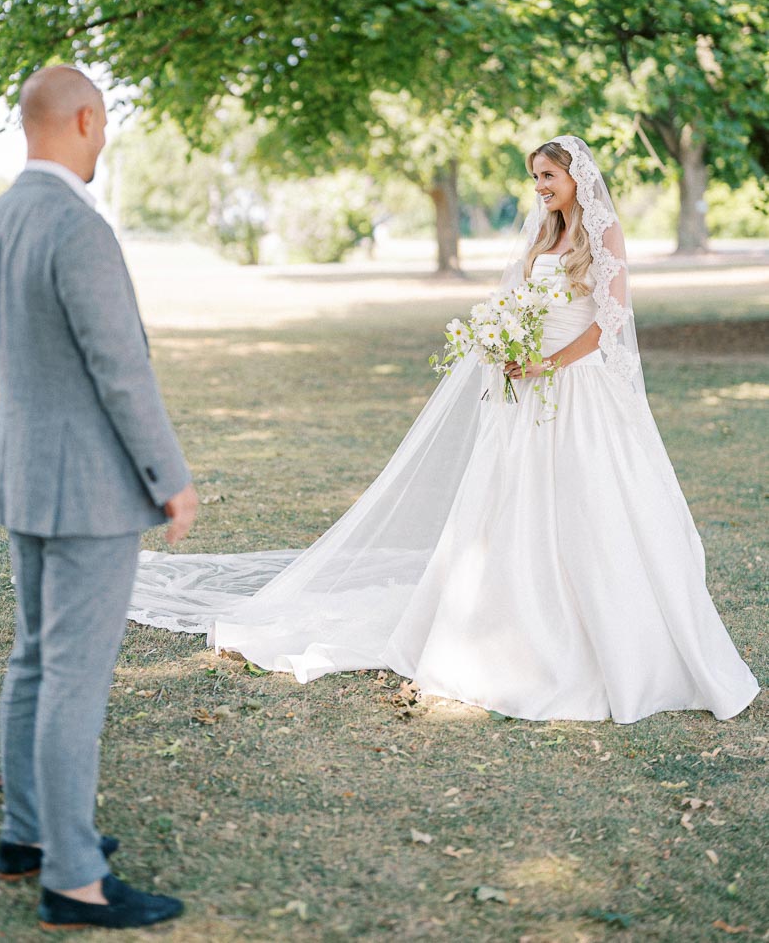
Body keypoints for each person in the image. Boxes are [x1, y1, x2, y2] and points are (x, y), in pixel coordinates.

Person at [128, 135, 758, 725]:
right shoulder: (542, 233)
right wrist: (508, 343)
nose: (539, 186)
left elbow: (611, 321)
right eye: (534, 176)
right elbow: (518, 302)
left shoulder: (605, 233)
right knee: (514, 507)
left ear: (576, 177)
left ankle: (603, 638)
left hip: (580, 389)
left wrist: (548, 362)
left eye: (548, 176)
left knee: (592, 506)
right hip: (529, 388)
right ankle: (505, 620)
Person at [0, 65, 198, 932]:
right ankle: (72, 876)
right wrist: (169, 477)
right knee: (73, 679)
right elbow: (121, 370)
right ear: (87, 120)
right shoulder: (79, 227)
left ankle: (28, 832)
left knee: (32, 660)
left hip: (22, 471)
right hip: (91, 487)